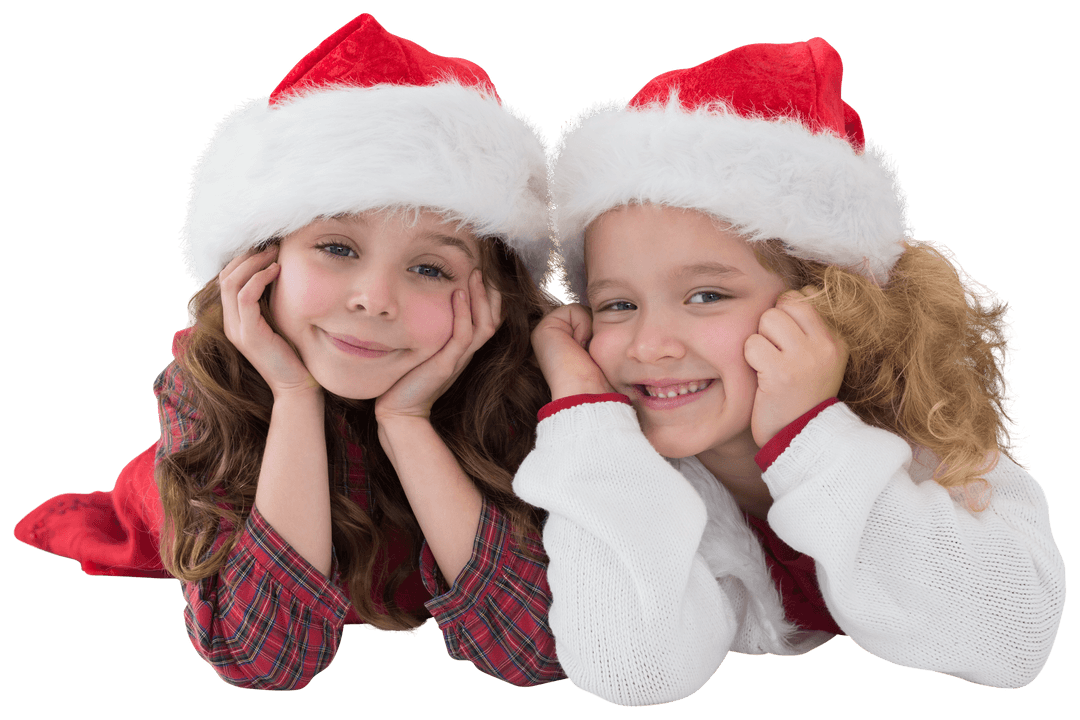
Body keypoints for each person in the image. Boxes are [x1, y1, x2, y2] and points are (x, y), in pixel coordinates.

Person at [16, 14, 566, 690]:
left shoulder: (521, 386)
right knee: (144, 508)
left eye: (430, 269)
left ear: (490, 300)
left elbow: (538, 649)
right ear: (259, 264)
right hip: (186, 481)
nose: (373, 299)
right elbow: (263, 661)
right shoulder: (205, 382)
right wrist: (294, 397)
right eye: (337, 248)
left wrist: (406, 423)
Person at [513, 37, 1066, 706]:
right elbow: (632, 672)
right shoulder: (622, 474)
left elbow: (1014, 644)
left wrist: (808, 435)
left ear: (832, 305)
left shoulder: (928, 443)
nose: (649, 345)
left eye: (706, 295)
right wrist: (583, 411)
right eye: (617, 304)